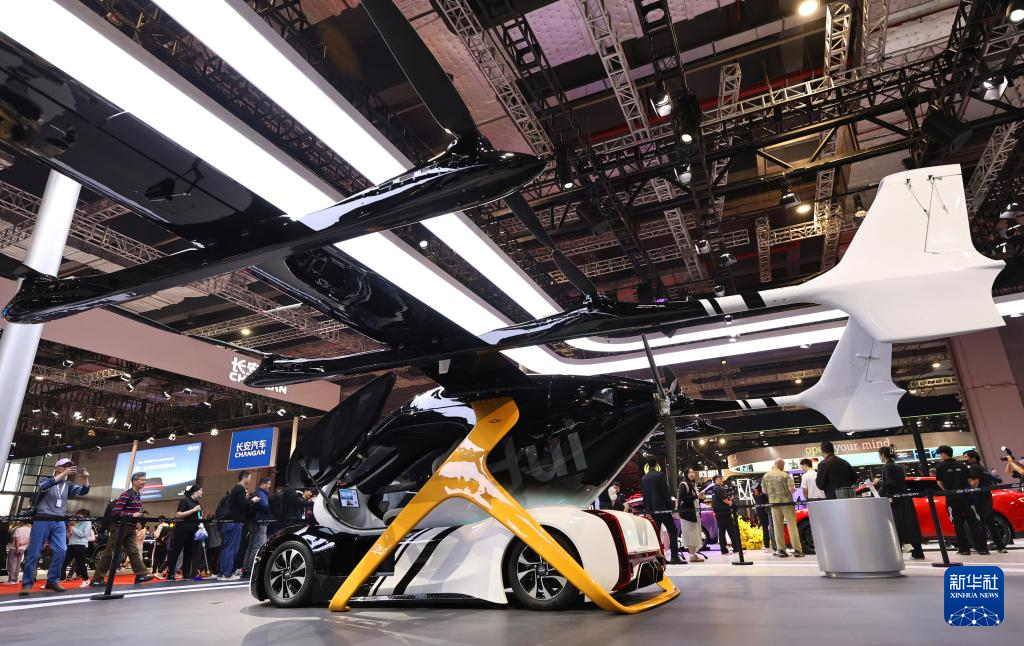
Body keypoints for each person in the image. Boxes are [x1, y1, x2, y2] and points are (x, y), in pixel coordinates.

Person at [20, 458, 91, 596]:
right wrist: (63, 474)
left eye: (70, 466)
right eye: (65, 466)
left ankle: (52, 581)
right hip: (43, 519)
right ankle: (27, 584)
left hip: (59, 521)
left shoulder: (67, 485)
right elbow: (43, 487)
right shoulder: (46, 480)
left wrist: (86, 479)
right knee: (34, 552)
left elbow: (83, 491)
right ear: (57, 468)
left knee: (62, 550)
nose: (68, 468)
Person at [91, 472, 156, 587]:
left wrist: (138, 516)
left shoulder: (137, 495)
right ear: (134, 481)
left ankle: (141, 575)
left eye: (145, 480)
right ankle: (97, 579)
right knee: (109, 553)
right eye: (142, 480)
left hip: (131, 528)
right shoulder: (126, 494)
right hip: (119, 528)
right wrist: (132, 515)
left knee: (134, 552)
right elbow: (115, 512)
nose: (144, 482)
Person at [934, 445, 987, 556]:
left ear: (944, 454)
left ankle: (964, 549)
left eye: (940, 454)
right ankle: (982, 548)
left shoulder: (940, 467)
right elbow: (969, 481)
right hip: (967, 498)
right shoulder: (962, 465)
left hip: (952, 499)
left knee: (958, 525)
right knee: (974, 523)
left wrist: (948, 491)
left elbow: (939, 483)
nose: (940, 456)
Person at [873, 446, 924, 559]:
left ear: (882, 455)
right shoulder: (898, 466)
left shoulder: (887, 467)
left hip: (896, 500)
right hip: (905, 498)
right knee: (909, 525)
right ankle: (918, 551)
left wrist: (878, 481)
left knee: (897, 526)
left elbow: (891, 484)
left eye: (879, 455)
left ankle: (897, 553)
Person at [640, 456, 684, 564]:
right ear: (656, 463)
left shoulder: (644, 478)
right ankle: (674, 557)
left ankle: (659, 559)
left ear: (647, 464)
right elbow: (665, 492)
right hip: (663, 509)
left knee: (656, 534)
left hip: (652, 511)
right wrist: (670, 507)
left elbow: (644, 496)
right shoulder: (660, 475)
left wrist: (647, 510)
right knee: (673, 531)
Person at [761, 459, 804, 558]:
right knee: (792, 526)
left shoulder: (766, 476)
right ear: (781, 465)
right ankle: (797, 550)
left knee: (777, 527)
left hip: (774, 503)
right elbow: (791, 489)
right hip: (786, 503)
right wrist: (793, 490)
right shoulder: (785, 475)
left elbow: (764, 491)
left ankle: (781, 550)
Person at [217, 470, 254, 580]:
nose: (251, 480)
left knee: (226, 548)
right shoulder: (240, 488)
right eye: (250, 477)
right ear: (244, 477)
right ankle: (227, 574)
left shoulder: (234, 489)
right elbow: (242, 504)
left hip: (228, 522)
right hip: (235, 522)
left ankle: (222, 573)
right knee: (231, 548)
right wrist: (252, 501)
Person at [965, 459, 1007, 554]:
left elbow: (975, 481)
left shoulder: (974, 467)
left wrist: (970, 489)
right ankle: (1000, 546)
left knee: (980, 524)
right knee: (990, 523)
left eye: (967, 457)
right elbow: (996, 480)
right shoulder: (982, 468)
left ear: (972, 458)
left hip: (978, 499)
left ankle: (982, 547)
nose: (966, 459)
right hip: (987, 497)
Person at [166, 485, 204, 582]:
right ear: (195, 491)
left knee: (189, 553)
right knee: (176, 552)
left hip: (193, 531)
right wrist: (194, 510)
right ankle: (170, 574)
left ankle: (186, 574)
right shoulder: (185, 501)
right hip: (182, 531)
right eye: (200, 490)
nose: (202, 493)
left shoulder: (198, 503)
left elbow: (198, 516)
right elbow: (178, 515)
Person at [242, 477, 273, 579]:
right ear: (263, 484)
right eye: (268, 484)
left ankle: (246, 569)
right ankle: (252, 570)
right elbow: (266, 506)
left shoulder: (257, 492)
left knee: (251, 546)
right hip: (260, 523)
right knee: (258, 546)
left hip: (254, 522)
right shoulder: (261, 493)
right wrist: (272, 510)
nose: (269, 486)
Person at [676, 468, 704, 562]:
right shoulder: (684, 484)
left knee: (694, 534)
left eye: (693, 472)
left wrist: (700, 497)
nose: (692, 474)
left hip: (693, 513)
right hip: (687, 514)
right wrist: (696, 496)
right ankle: (692, 556)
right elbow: (683, 498)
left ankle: (693, 554)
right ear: (686, 474)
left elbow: (694, 499)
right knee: (690, 534)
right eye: (689, 472)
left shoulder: (692, 484)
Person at [710, 475, 741, 555]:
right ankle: (736, 548)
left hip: (719, 513)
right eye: (719, 479)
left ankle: (723, 549)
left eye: (721, 479)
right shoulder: (719, 488)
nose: (721, 480)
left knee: (722, 531)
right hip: (725, 513)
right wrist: (730, 502)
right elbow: (724, 500)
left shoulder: (714, 489)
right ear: (715, 480)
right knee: (731, 530)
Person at [63, 509, 93, 585]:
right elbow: (69, 537)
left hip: (80, 545)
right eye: (77, 514)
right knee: (64, 561)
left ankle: (86, 579)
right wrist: (68, 531)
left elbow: (82, 534)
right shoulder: (76, 523)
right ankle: (60, 578)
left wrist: (73, 528)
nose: (78, 516)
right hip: (71, 544)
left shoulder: (88, 523)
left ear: (85, 515)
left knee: (80, 563)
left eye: (80, 514)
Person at [752, 481, 775, 553]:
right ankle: (767, 545)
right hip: (763, 512)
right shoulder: (758, 493)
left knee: (769, 529)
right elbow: (762, 501)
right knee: (766, 529)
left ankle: (769, 545)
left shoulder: (761, 492)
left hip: (765, 511)